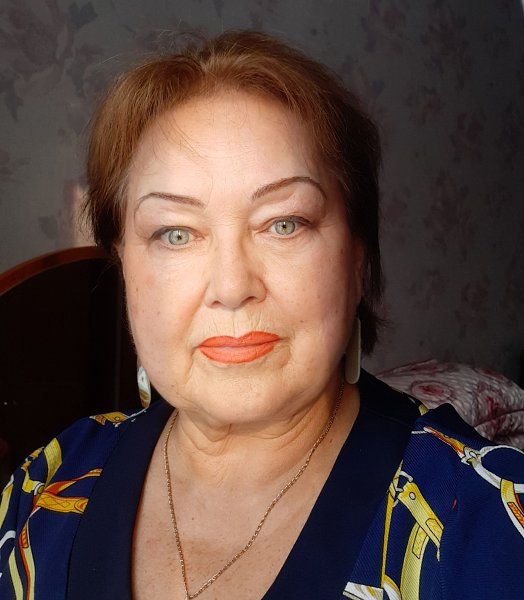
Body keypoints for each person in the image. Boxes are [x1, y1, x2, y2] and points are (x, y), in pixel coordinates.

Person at [0, 30, 523, 600]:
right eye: (176, 233)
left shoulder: (489, 529)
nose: (231, 288)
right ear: (124, 265)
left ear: (356, 259)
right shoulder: (44, 487)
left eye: (283, 224)